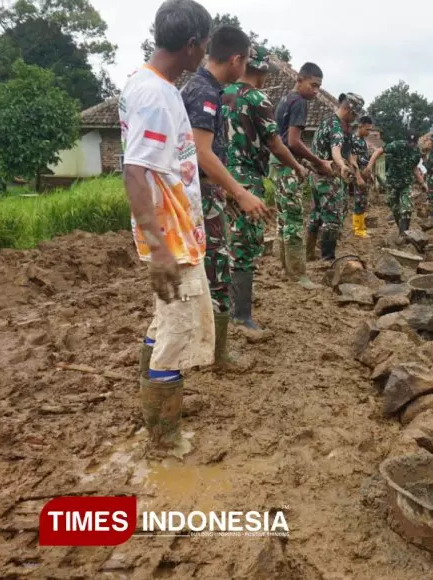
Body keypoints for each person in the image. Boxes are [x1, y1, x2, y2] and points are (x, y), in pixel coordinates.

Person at [121, 0, 214, 446]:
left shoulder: (150, 85)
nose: (205, 57)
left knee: (164, 323)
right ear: (192, 45)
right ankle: (165, 442)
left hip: (174, 230)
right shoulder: (156, 95)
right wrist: (159, 248)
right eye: (205, 47)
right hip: (170, 236)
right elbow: (134, 170)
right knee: (176, 332)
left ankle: (153, 422)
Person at [179, 24, 268, 371]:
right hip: (199, 193)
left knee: (211, 268)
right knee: (218, 269)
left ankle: (209, 349)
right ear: (236, 60)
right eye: (244, 63)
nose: (244, 70)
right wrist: (239, 191)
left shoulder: (202, 88)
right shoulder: (204, 92)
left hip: (203, 192)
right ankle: (218, 357)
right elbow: (201, 152)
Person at [222, 45, 306, 332]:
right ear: (261, 70)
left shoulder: (221, 95)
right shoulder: (257, 99)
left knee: (226, 242)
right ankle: (240, 315)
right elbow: (275, 143)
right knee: (245, 245)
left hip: (219, 177)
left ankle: (224, 308)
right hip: (246, 179)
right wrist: (297, 166)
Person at [273, 62, 331, 289]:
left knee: (283, 218)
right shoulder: (299, 103)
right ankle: (299, 276)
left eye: (319, 87)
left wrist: (308, 161)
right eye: (313, 85)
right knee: (295, 219)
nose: (316, 91)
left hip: (278, 165)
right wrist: (318, 161)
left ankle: (286, 270)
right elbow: (294, 142)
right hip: (288, 168)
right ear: (300, 79)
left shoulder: (285, 100)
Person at [306, 93, 364, 262]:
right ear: (350, 110)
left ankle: (309, 253)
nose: (354, 120)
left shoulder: (327, 122)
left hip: (315, 177)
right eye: (354, 115)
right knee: (332, 217)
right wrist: (342, 166)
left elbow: (349, 153)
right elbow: (336, 151)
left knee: (316, 214)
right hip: (329, 178)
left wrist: (354, 168)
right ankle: (327, 258)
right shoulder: (337, 127)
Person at [365, 132, 427, 234]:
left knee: (407, 208)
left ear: (416, 143)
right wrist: (369, 167)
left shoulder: (417, 152)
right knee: (395, 209)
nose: (411, 145)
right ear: (406, 141)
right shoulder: (397, 145)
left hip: (406, 183)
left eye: (413, 143)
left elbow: (414, 169)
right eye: (409, 143)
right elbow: (379, 151)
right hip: (392, 183)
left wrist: (422, 183)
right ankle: (401, 231)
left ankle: (404, 235)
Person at [348, 115, 373, 238]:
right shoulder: (354, 140)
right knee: (359, 200)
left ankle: (362, 227)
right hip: (358, 174)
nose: (369, 132)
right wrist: (358, 178)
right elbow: (353, 160)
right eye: (367, 129)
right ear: (360, 126)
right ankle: (357, 229)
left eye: (370, 130)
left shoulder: (363, 140)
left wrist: (370, 174)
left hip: (364, 173)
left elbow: (365, 159)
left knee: (363, 201)